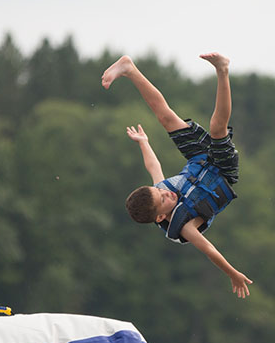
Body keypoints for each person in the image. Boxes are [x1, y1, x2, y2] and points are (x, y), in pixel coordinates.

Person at [102, 53, 252, 298]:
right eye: (163, 198)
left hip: (199, 159)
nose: (166, 191)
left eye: (159, 190)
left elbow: (154, 167)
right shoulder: (184, 227)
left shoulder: (159, 191)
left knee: (165, 117)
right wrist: (232, 273)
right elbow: (209, 250)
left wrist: (144, 142)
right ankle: (222, 70)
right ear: (161, 215)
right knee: (217, 129)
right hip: (224, 171)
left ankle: (129, 69)